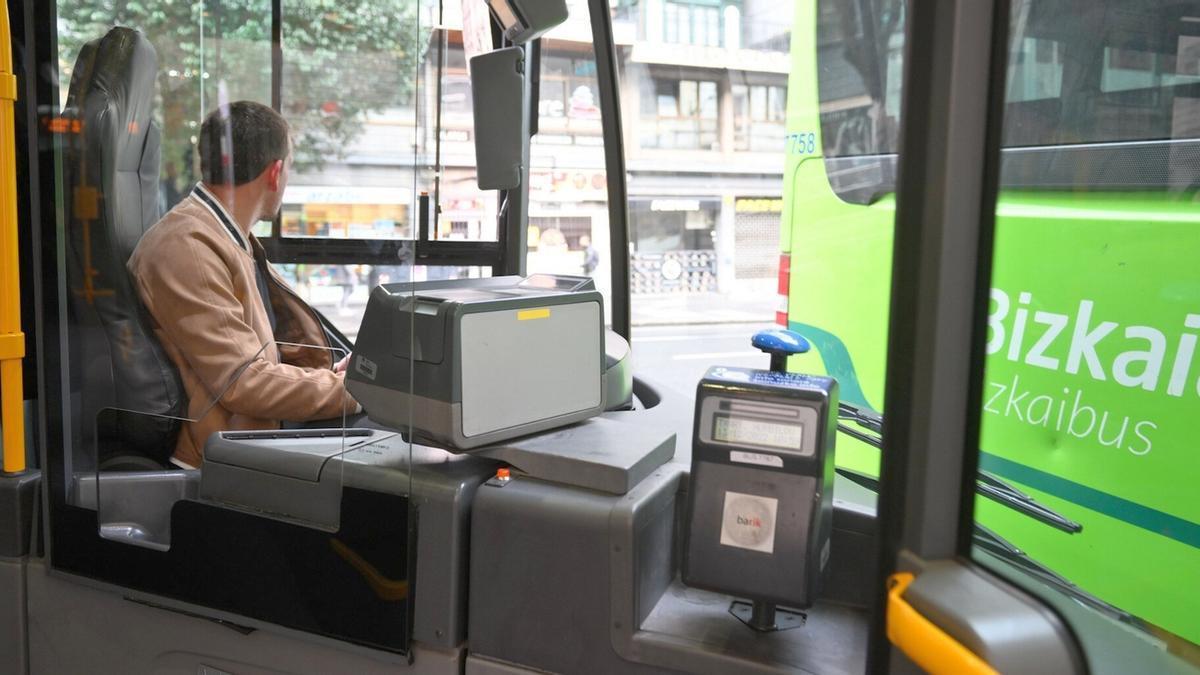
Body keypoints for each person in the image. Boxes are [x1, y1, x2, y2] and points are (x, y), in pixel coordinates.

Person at [128, 101, 358, 470]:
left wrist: (330, 379)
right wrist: (355, 393)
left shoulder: (227, 237)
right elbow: (244, 382)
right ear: (275, 173)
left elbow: (251, 358)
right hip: (220, 461)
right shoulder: (189, 246)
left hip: (252, 439)